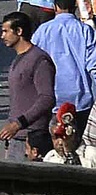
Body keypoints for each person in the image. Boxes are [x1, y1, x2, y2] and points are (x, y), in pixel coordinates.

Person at [0, 11, 56, 153]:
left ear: (19, 31)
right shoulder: (17, 60)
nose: (2, 36)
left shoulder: (39, 60)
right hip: (15, 137)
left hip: (31, 139)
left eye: (6, 31)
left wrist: (18, 124)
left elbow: (47, 99)